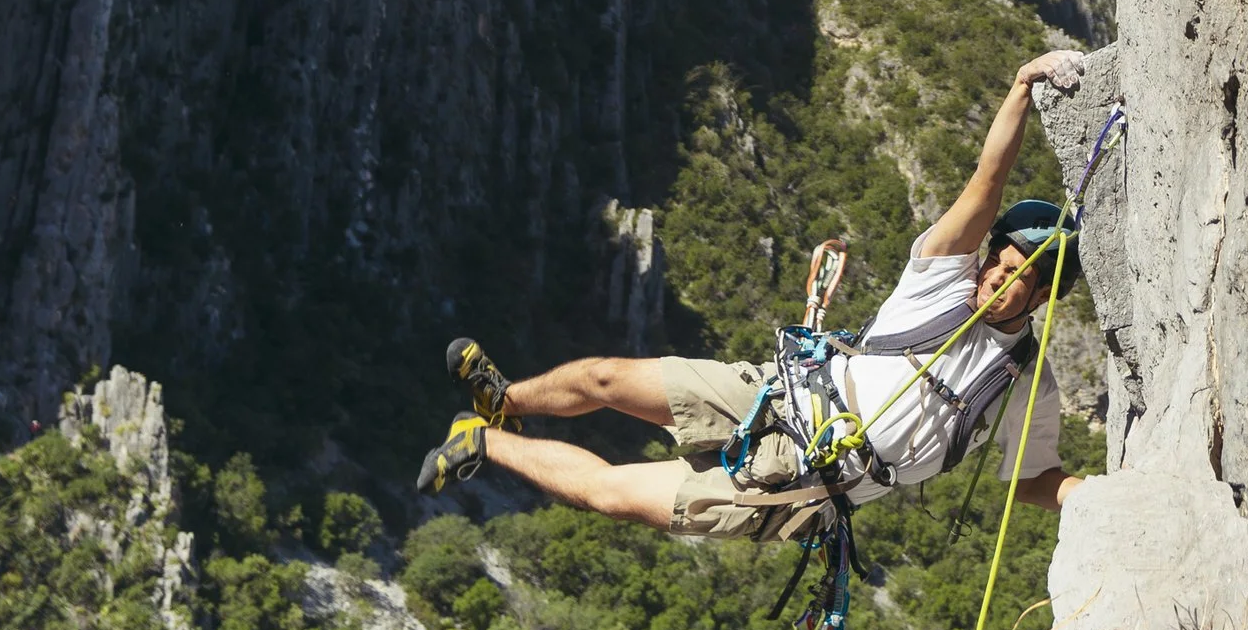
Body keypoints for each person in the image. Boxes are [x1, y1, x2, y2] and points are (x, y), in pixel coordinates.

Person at [414, 52, 1089, 539]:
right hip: (783, 393)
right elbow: (986, 181)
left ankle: (482, 443)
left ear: (1039, 299)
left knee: (613, 494)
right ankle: (504, 399)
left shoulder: (1025, 383)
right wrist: (1022, 85)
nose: (992, 278)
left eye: (1011, 278)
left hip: (804, 485)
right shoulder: (943, 276)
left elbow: (1033, 478)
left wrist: (1093, 497)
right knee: (605, 376)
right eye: (994, 263)